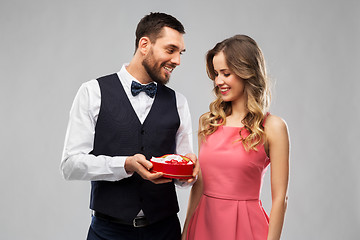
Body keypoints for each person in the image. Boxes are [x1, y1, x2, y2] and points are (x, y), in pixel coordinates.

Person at [60, 12, 199, 240]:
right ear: (145, 44)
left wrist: (188, 172)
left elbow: (183, 178)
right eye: (171, 49)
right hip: (108, 232)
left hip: (165, 231)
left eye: (180, 53)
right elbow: (70, 165)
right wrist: (125, 165)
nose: (177, 60)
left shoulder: (179, 102)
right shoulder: (92, 92)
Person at [182, 35, 289, 240]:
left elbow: (280, 200)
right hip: (203, 226)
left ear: (246, 73)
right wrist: (186, 231)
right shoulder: (208, 122)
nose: (218, 81)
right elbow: (200, 184)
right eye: (216, 74)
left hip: (247, 228)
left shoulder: (273, 127)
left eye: (226, 73)